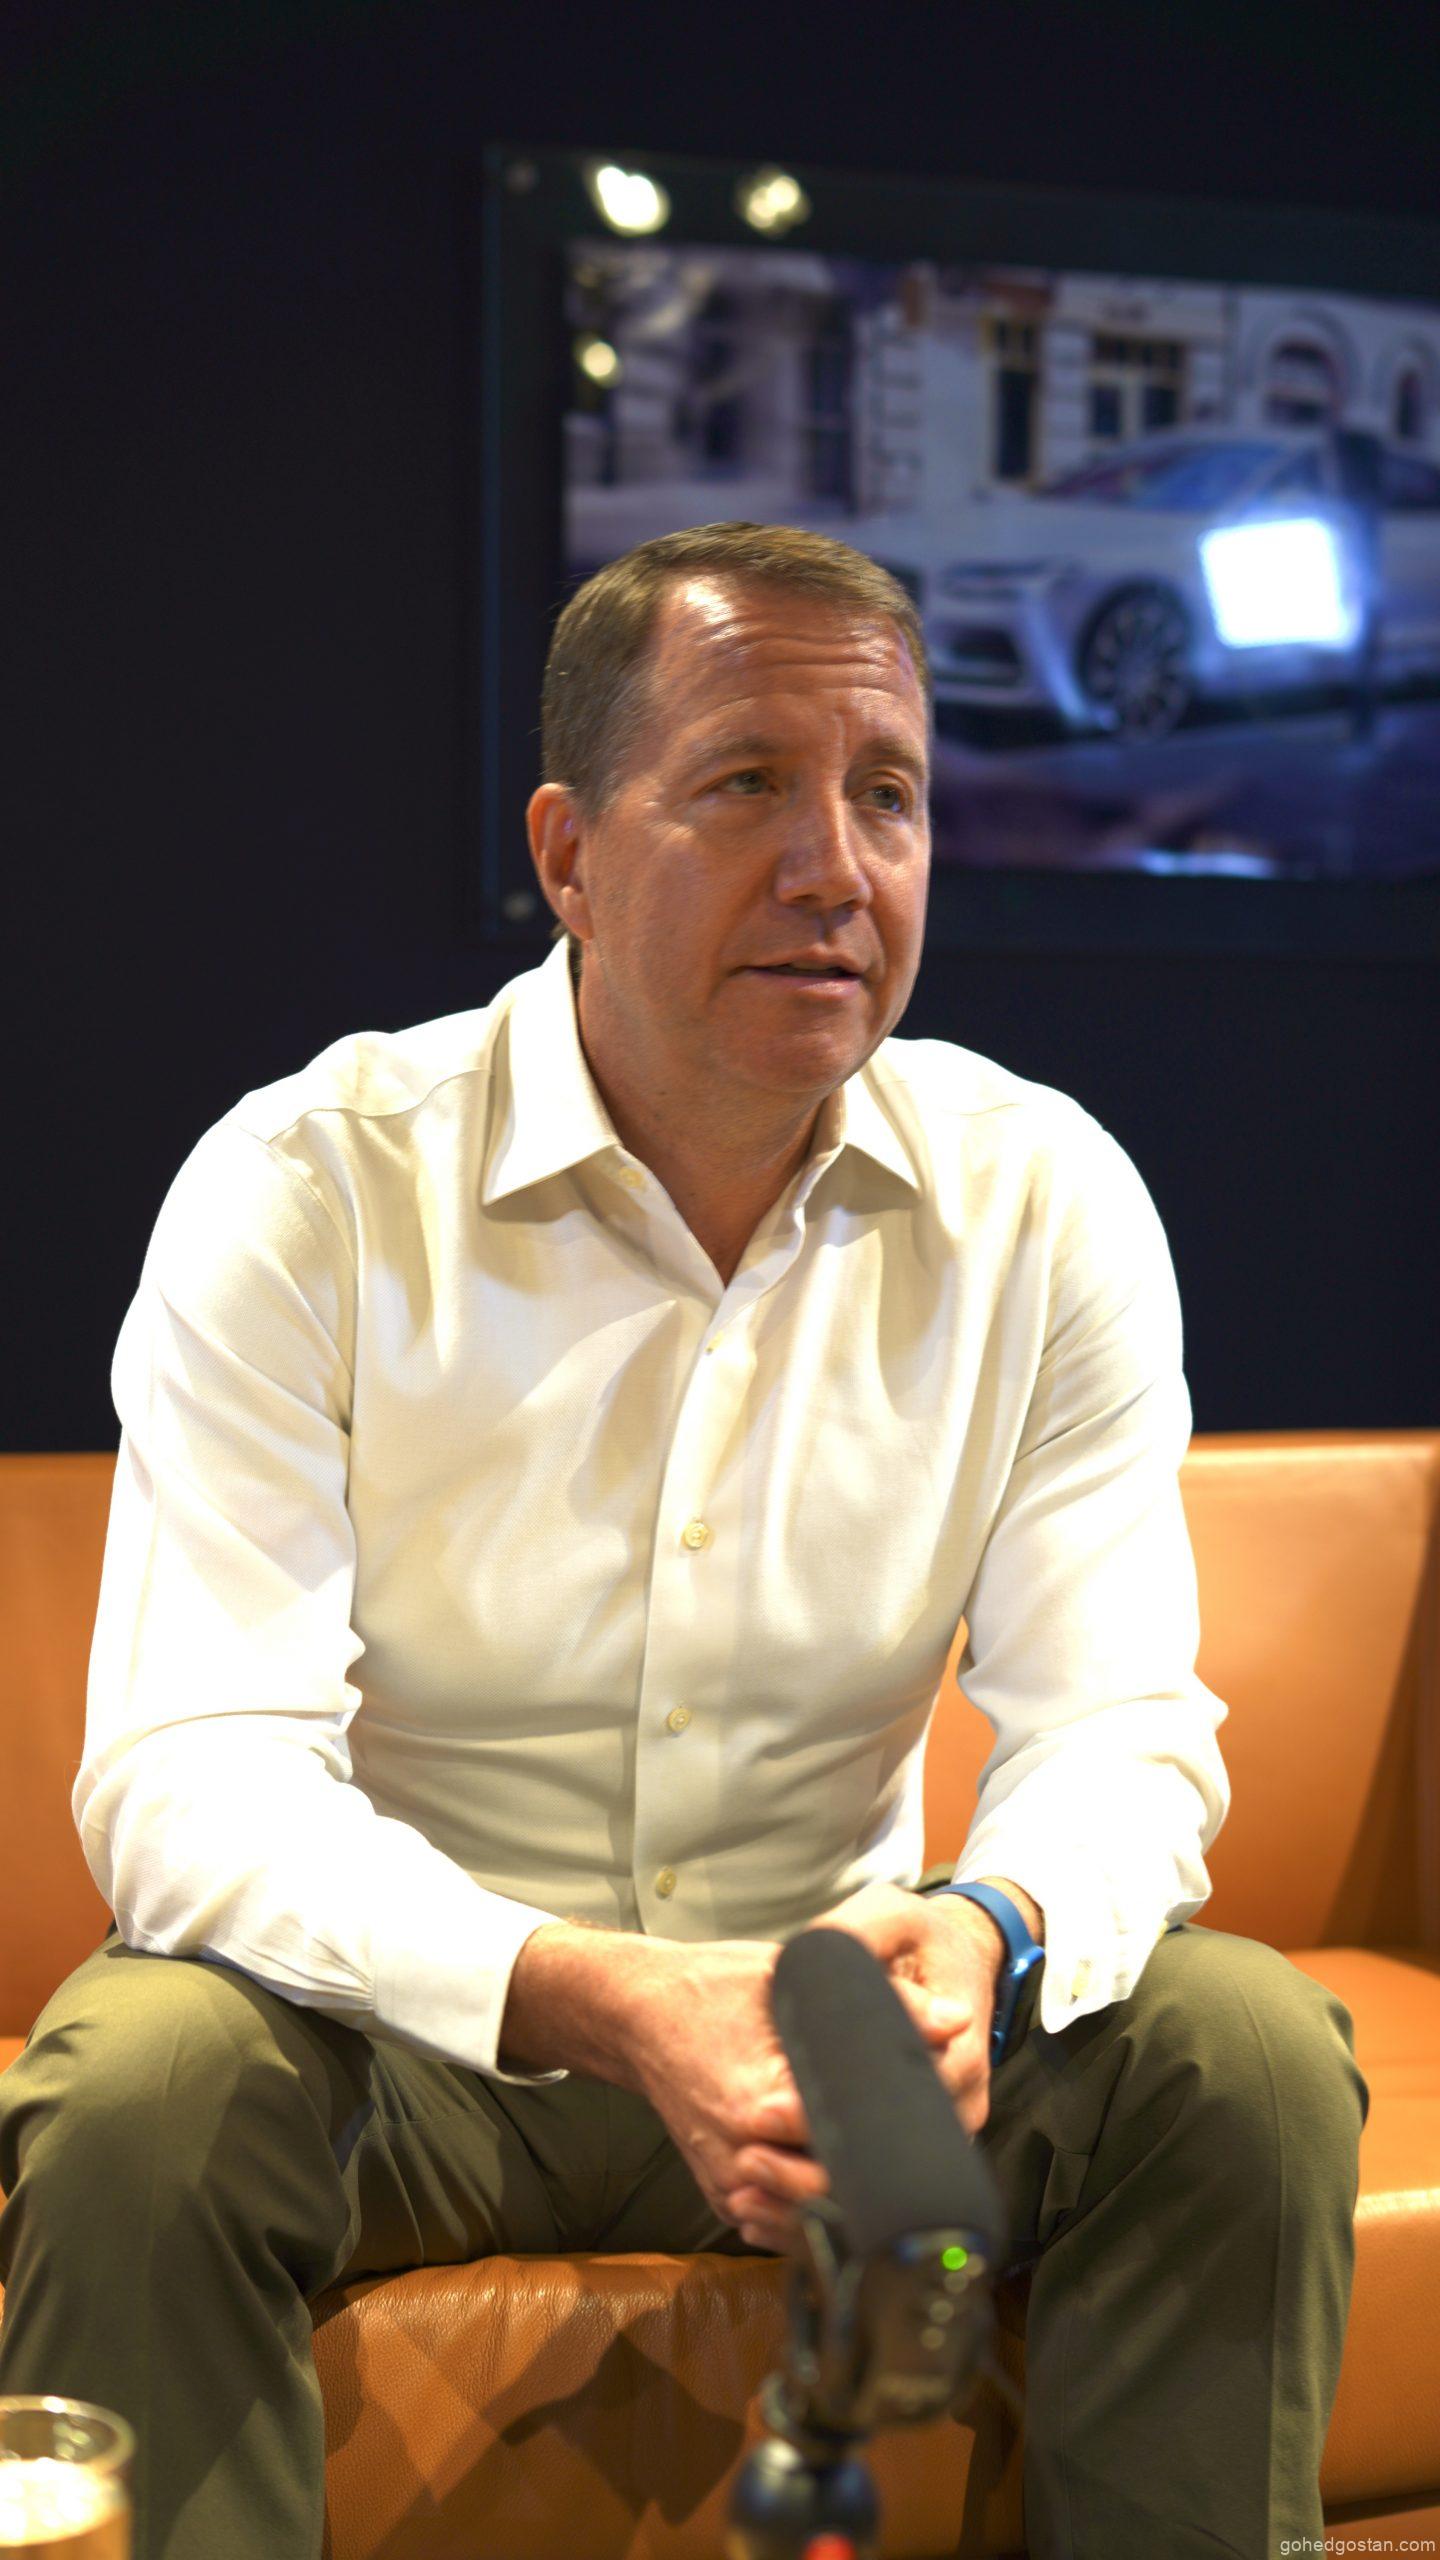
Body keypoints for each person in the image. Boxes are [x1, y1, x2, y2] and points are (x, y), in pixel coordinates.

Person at [0, 522, 1366, 2560]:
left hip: (845, 2038)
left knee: (1242, 2051)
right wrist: (600, 1995)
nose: (836, 867)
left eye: (888, 795)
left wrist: (987, 1932)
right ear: (568, 855)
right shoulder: (311, 1188)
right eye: (745, 784)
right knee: (138, 2089)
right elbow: (187, 1778)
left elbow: (1122, 1730)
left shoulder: (1044, 1197)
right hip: (414, 2047)